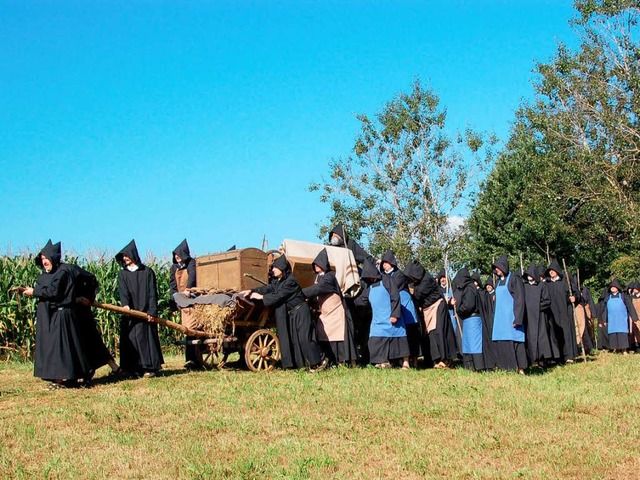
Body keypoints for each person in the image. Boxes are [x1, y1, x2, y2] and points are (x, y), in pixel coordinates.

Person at [22, 240, 91, 389]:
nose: (45, 262)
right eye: (42, 259)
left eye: (47, 258)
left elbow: (55, 292)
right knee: (60, 348)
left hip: (63, 314)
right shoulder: (45, 276)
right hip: (49, 316)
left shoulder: (62, 272)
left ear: (53, 257)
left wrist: (34, 292)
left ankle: (77, 376)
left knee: (67, 347)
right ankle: (64, 378)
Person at [241, 254, 328, 371]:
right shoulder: (280, 281)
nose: (273, 270)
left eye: (275, 268)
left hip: (301, 312)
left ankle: (320, 361)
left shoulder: (290, 282)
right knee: (296, 341)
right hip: (293, 313)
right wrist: (252, 290)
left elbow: (278, 296)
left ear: (282, 269)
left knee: (304, 338)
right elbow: (269, 288)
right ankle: (303, 365)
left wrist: (261, 297)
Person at [116, 240, 164, 378]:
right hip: (130, 313)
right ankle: (133, 369)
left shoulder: (147, 272)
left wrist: (152, 311)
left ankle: (149, 368)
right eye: (123, 256)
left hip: (145, 312)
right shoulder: (122, 274)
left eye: (127, 255)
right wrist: (125, 306)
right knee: (131, 339)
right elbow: (123, 292)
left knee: (146, 339)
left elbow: (152, 293)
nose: (125, 258)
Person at [302, 249, 357, 366]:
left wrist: (299, 293)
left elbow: (318, 289)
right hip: (326, 312)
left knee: (338, 337)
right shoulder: (318, 278)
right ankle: (330, 360)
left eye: (318, 263)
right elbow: (315, 293)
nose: (316, 266)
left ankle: (342, 362)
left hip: (336, 311)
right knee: (325, 336)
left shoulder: (329, 276)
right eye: (314, 264)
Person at [355, 260, 409, 369]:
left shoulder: (387, 279)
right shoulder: (369, 288)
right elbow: (361, 300)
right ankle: (383, 362)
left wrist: (395, 314)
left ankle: (406, 363)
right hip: (378, 319)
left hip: (391, 316)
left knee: (399, 339)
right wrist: (348, 299)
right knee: (375, 340)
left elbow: (395, 297)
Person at [404, 260, 457, 369]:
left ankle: (445, 360)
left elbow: (418, 296)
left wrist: (410, 291)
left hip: (437, 307)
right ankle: (437, 360)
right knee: (432, 335)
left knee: (440, 333)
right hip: (427, 310)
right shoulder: (418, 282)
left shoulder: (427, 280)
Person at [380, 250, 420, 368]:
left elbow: (393, 289)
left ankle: (413, 360)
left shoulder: (399, 275)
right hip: (393, 306)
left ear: (391, 263)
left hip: (404, 305)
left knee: (409, 333)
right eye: (383, 263)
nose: (384, 265)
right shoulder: (384, 276)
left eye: (386, 263)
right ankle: (396, 360)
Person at [491, 255, 527, 373]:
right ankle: (507, 368)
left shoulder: (514, 279)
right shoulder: (497, 283)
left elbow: (519, 299)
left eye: (498, 267)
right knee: (502, 343)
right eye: (495, 268)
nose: (496, 270)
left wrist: (518, 318)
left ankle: (520, 368)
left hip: (511, 317)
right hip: (500, 319)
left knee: (515, 342)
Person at [451, 268, 491, 372]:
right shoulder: (467, 288)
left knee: (475, 344)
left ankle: (478, 366)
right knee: (468, 343)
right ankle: (470, 366)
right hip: (468, 319)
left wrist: (459, 310)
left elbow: (468, 305)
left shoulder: (470, 288)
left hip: (473, 318)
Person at [169, 239, 199, 370]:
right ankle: (191, 359)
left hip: (191, 300)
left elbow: (192, 277)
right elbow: (173, 286)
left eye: (179, 253)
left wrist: (189, 289)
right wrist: (174, 302)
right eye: (175, 254)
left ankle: (193, 359)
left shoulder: (191, 263)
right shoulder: (174, 268)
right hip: (181, 302)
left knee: (191, 329)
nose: (177, 256)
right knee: (186, 330)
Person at [545, 260, 580, 364]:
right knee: (555, 334)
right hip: (553, 312)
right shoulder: (547, 284)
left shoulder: (565, 282)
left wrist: (574, 298)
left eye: (553, 270)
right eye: (550, 270)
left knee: (567, 332)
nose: (551, 272)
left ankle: (569, 356)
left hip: (565, 311)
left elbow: (575, 293)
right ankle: (557, 357)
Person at [522, 264, 553, 367]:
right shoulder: (524, 286)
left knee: (541, 338)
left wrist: (536, 307)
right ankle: (532, 360)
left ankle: (543, 360)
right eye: (527, 274)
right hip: (528, 317)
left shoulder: (542, 286)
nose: (529, 276)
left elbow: (547, 301)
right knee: (530, 338)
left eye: (530, 274)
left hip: (540, 316)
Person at [600, 280, 637, 354]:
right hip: (612, 319)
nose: (612, 288)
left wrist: (634, 317)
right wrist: (604, 319)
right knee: (613, 334)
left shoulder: (623, 296)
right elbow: (604, 310)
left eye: (614, 287)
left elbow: (630, 306)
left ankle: (624, 349)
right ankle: (616, 349)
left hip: (621, 319)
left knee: (622, 334)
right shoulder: (607, 297)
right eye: (611, 287)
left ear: (618, 288)